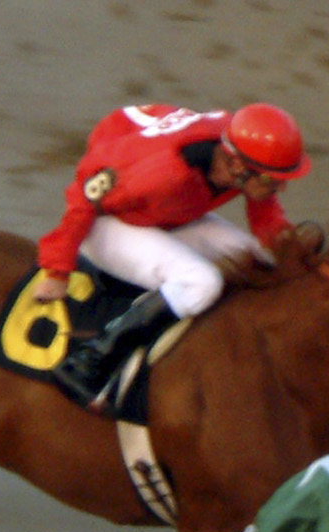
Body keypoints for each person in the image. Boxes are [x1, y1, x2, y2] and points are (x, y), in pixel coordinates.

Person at [32, 102, 309, 406]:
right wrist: (57, 270)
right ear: (239, 167)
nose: (280, 188)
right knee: (202, 282)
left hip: (163, 212)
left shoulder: (239, 152)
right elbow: (84, 197)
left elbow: (266, 216)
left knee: (258, 260)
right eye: (272, 180)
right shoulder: (164, 173)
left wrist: (292, 253)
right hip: (103, 222)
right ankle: (93, 359)